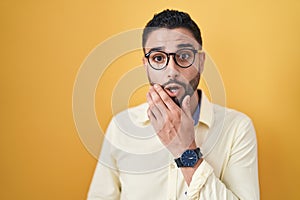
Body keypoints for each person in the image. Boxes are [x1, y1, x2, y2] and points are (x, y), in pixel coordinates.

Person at [87, 9, 260, 200]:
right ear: (146, 65)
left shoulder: (237, 128)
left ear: (201, 62)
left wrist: (185, 150)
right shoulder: (121, 126)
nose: (172, 71)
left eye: (184, 56)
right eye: (158, 58)